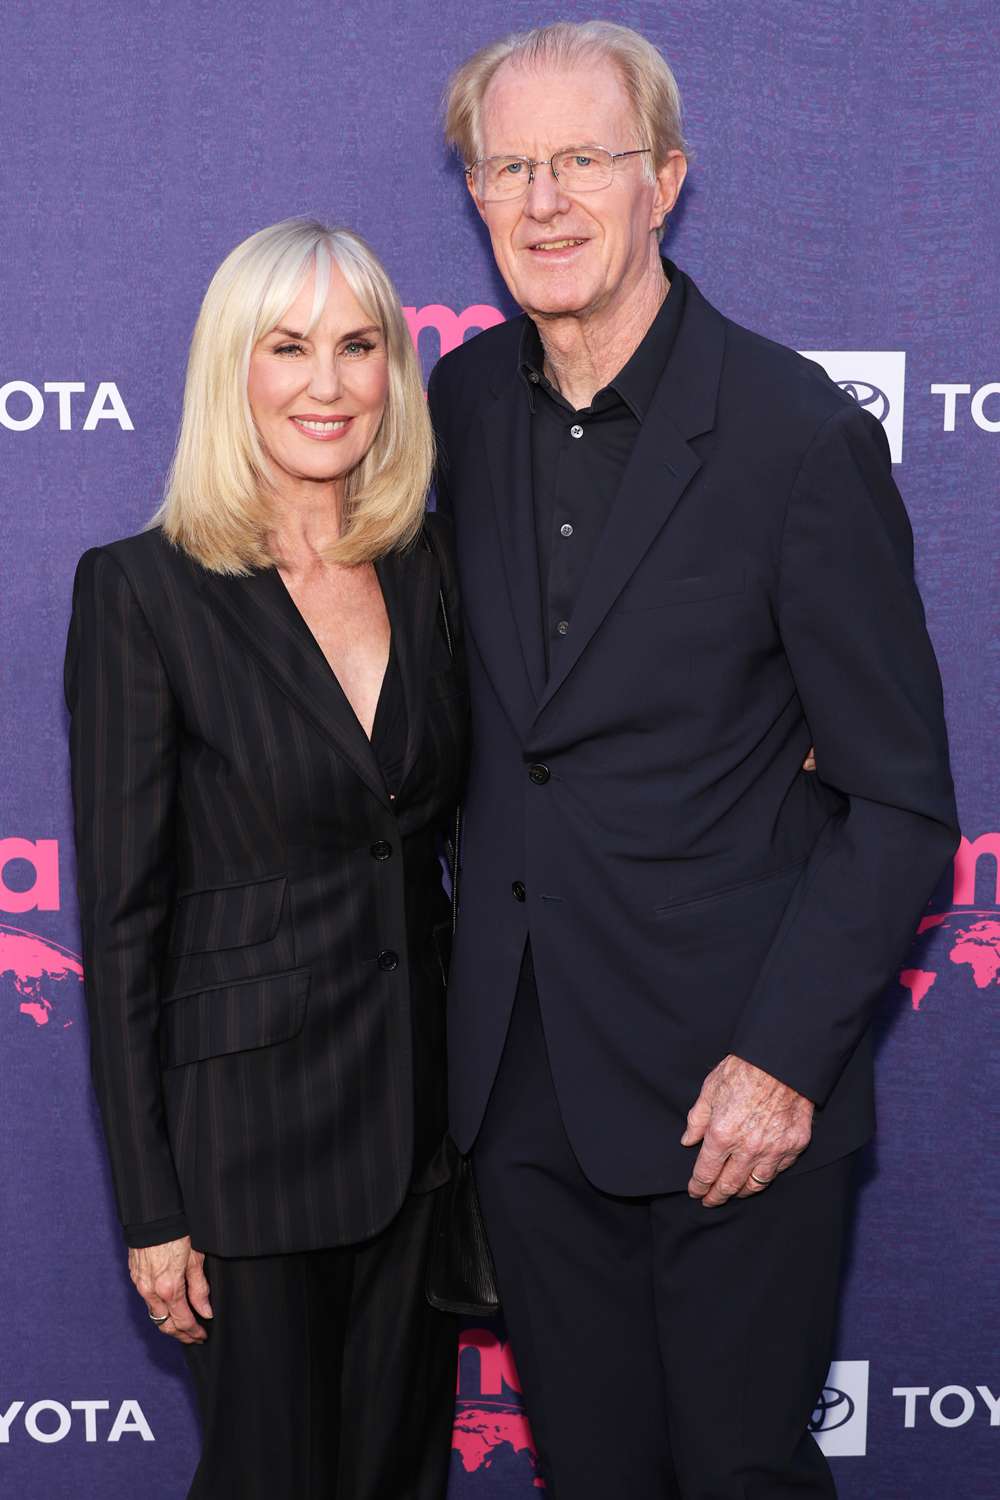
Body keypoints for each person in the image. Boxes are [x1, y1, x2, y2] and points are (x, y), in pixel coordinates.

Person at [428, 21, 959, 1499]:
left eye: (582, 160)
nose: (543, 201)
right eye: (507, 165)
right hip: (521, 1088)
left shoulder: (796, 437)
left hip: (734, 1093)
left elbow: (901, 803)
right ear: (473, 196)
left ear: (664, 179)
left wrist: (784, 1061)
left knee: (737, 1476)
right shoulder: (450, 414)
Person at [65, 217, 466, 1500]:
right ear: (231, 370)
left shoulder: (429, 567)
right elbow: (124, 921)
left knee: (399, 1477)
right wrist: (152, 1205)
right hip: (245, 1151)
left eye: (359, 346)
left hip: (423, 1130)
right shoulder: (142, 590)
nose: (329, 383)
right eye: (286, 347)